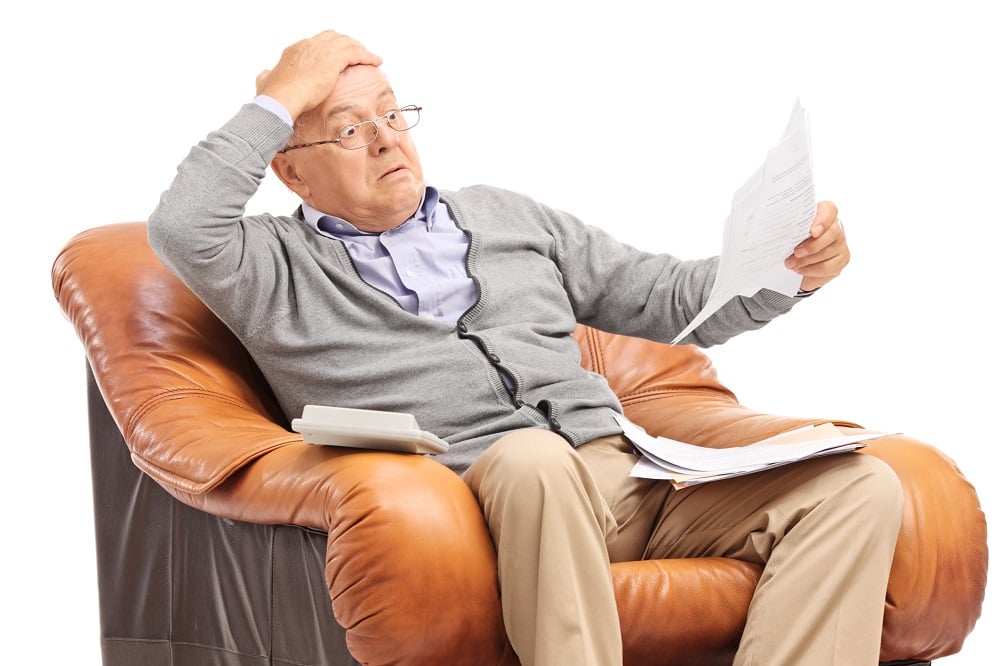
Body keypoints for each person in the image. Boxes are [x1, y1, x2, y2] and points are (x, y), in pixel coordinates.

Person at [148, 29, 903, 666]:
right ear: (291, 170)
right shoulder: (270, 266)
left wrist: (786, 270)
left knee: (856, 487)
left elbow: (670, 299)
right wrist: (284, 90)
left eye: (392, 114)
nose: (385, 140)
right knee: (532, 458)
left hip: (627, 476)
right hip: (484, 493)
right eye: (348, 129)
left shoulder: (507, 215)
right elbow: (182, 226)